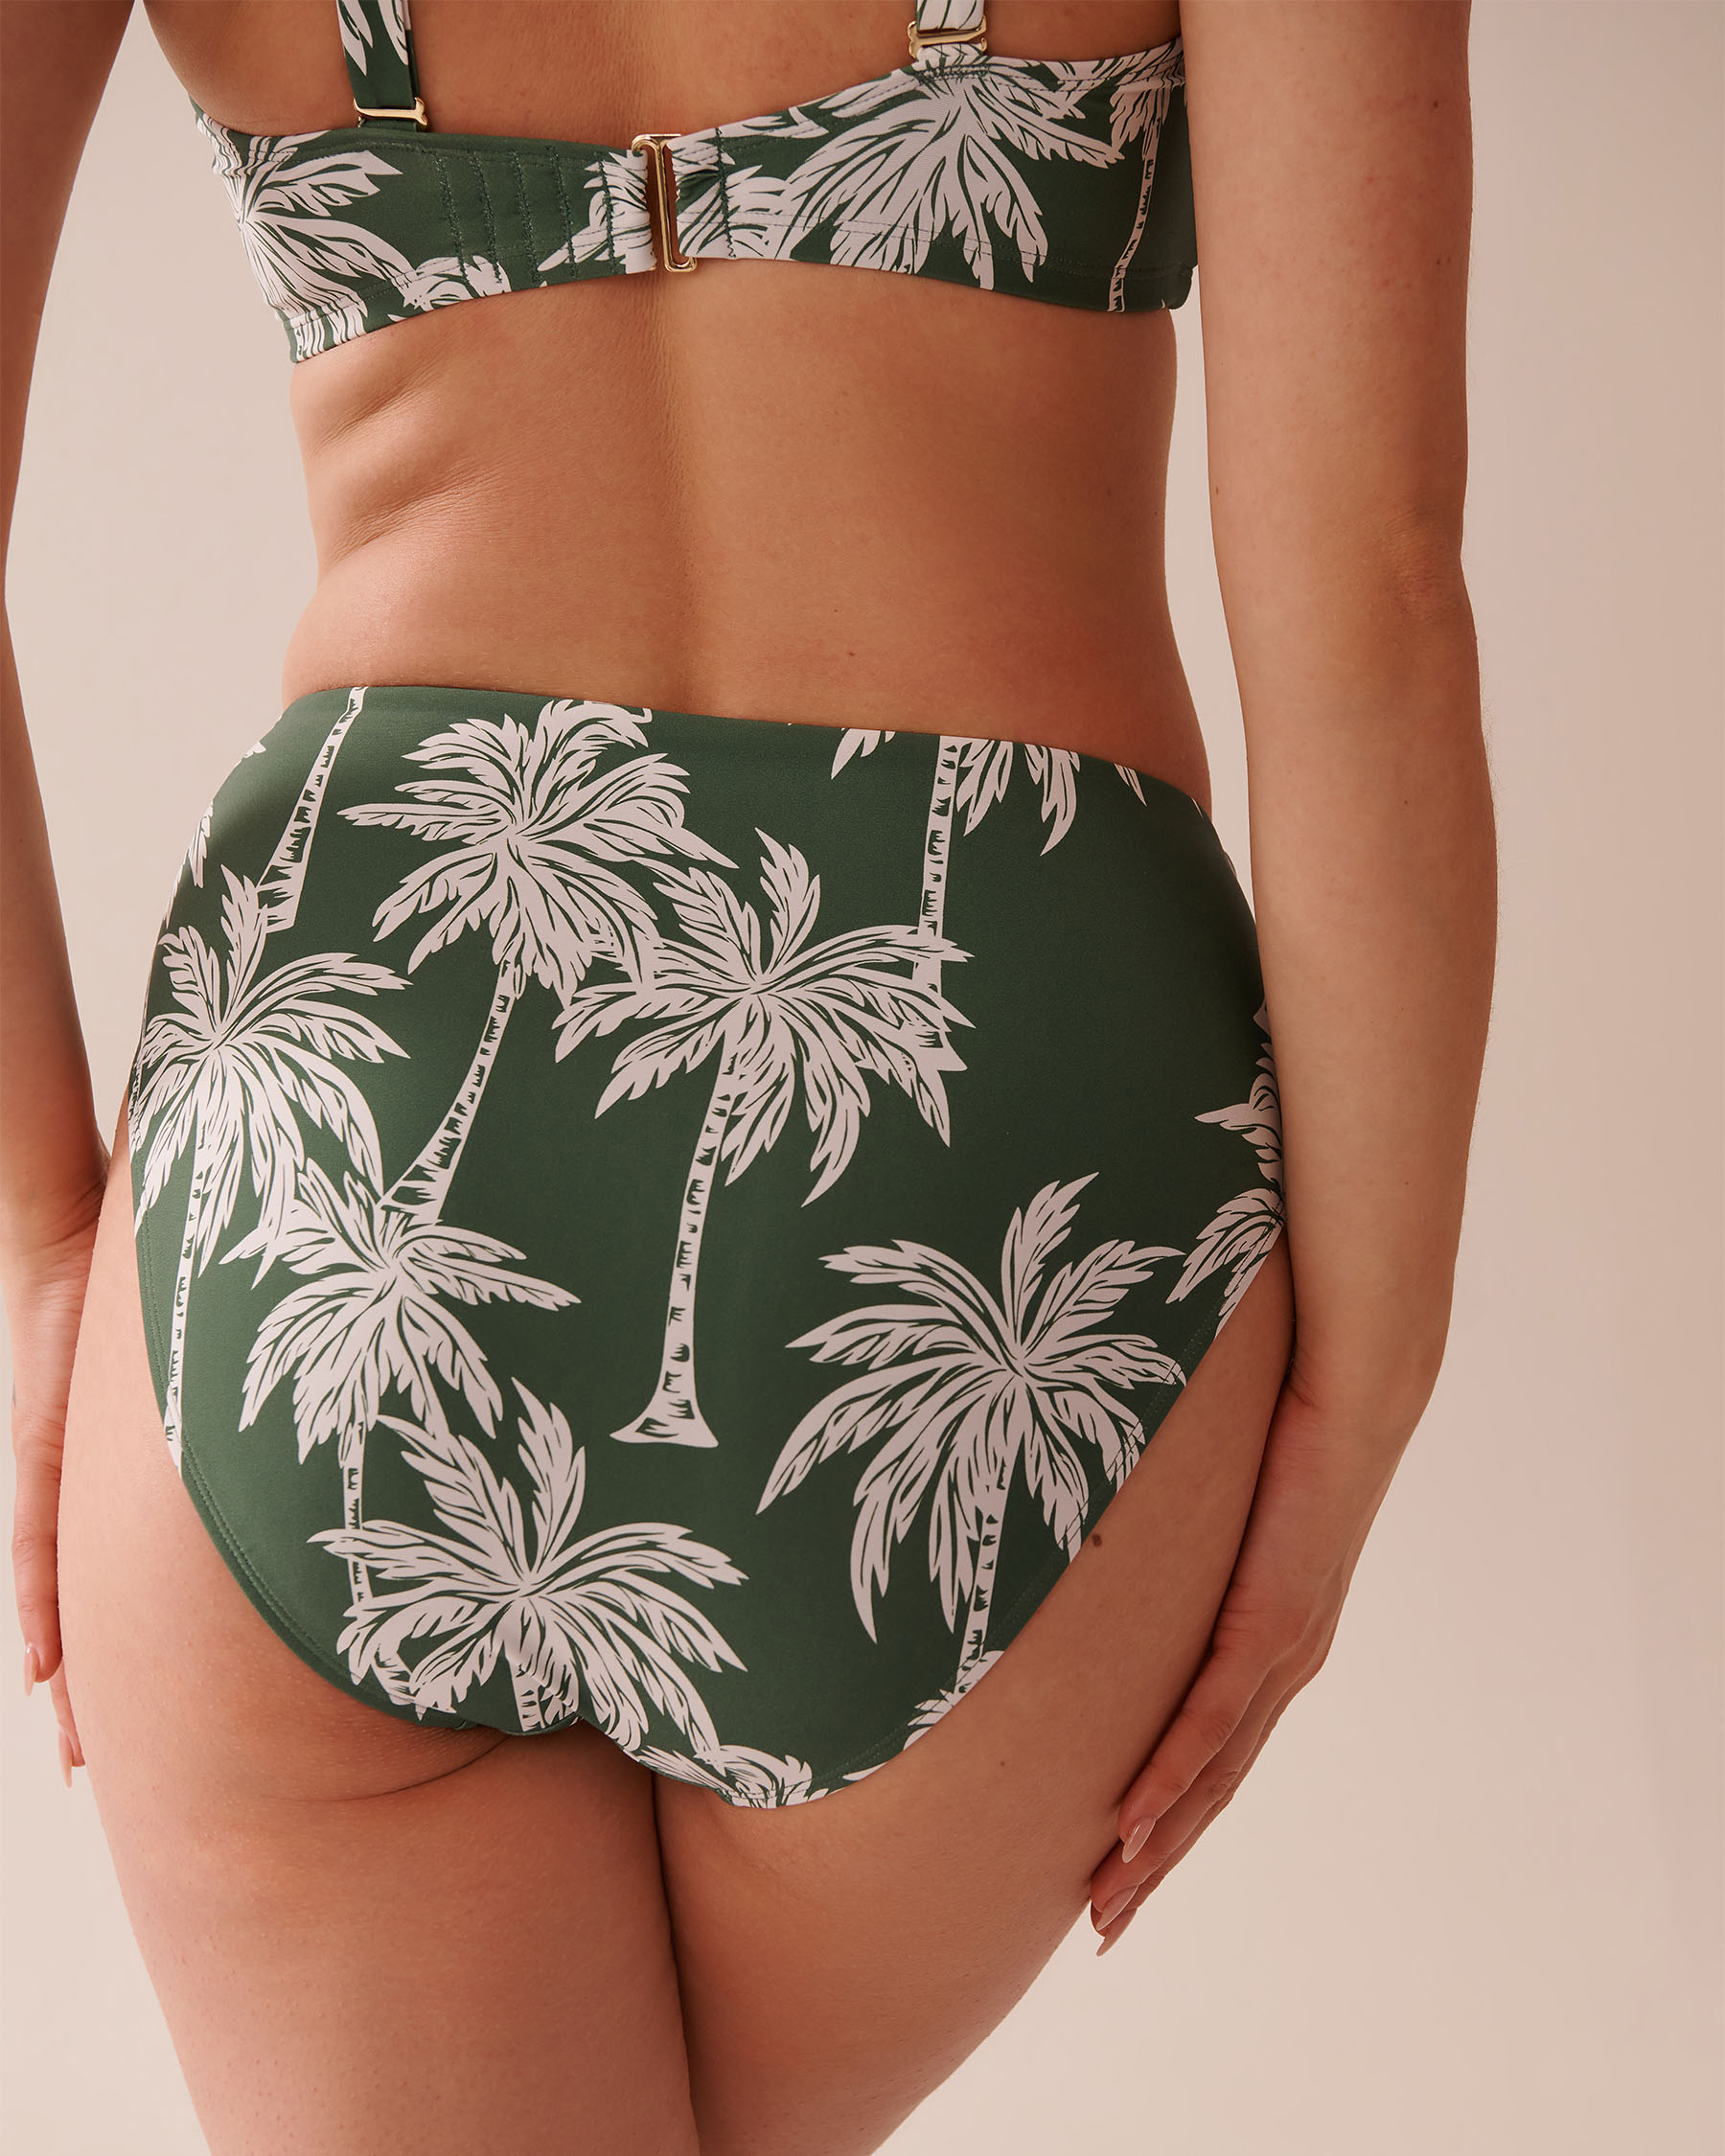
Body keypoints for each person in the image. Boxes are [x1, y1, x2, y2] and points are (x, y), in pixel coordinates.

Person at [1, 2, 1495, 2150]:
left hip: (340, 1150)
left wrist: (46, 1233)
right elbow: (1371, 591)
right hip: (1005, 1125)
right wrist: (1362, 1394)